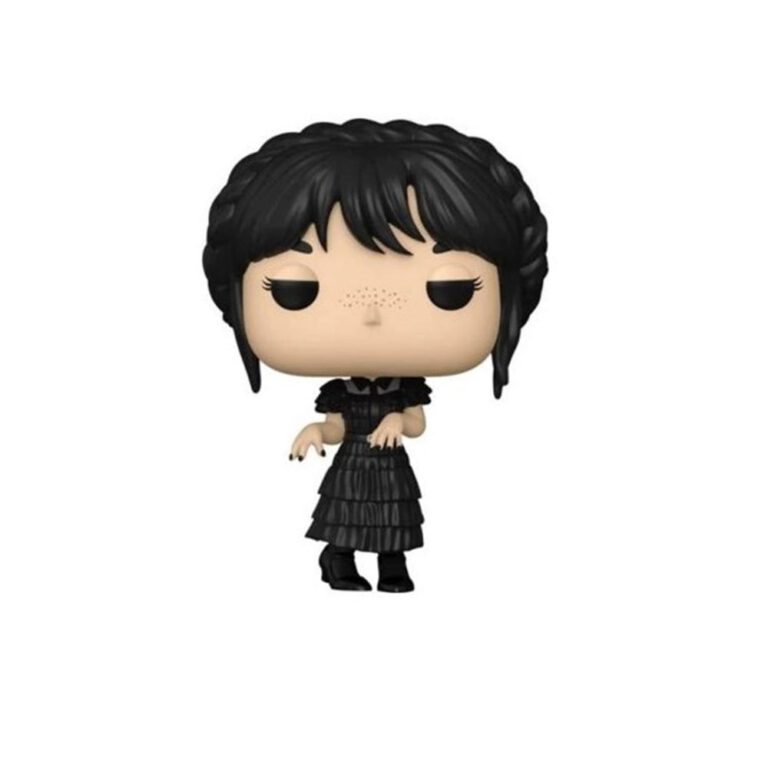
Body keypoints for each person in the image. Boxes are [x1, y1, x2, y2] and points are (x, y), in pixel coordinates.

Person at [203, 119, 548, 592]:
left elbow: (417, 423)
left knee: (392, 517)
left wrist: (398, 421)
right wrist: (318, 430)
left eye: (449, 289)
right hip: (352, 463)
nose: (370, 314)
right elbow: (336, 427)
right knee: (344, 512)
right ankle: (338, 560)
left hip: (388, 466)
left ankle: (392, 566)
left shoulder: (404, 392)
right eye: (293, 289)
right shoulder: (340, 393)